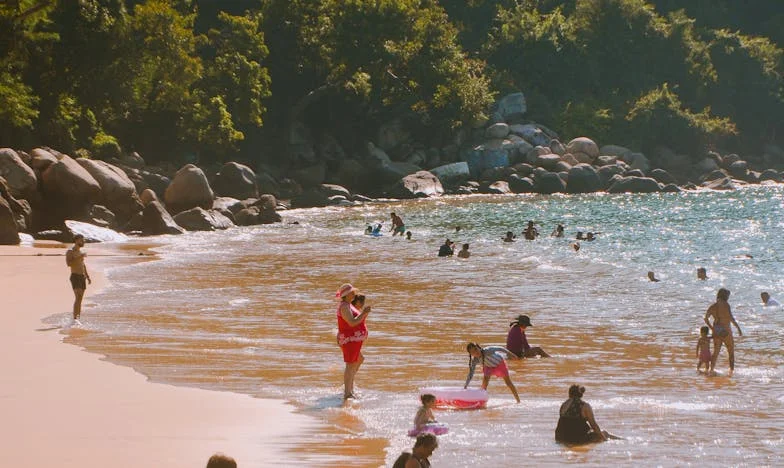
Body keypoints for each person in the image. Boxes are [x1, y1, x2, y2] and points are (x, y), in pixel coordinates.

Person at [336, 283, 371, 399]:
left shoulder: (347, 305)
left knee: (359, 360)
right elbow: (352, 322)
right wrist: (364, 313)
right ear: (347, 294)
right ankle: (347, 392)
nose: (354, 294)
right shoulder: (344, 307)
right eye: (352, 292)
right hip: (349, 340)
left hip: (352, 339)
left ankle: (349, 384)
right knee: (350, 364)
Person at [704, 288, 743, 376]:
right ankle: (731, 371)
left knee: (716, 351)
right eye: (728, 296)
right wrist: (738, 328)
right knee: (730, 351)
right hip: (726, 331)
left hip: (716, 331)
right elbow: (731, 318)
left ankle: (711, 370)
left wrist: (712, 328)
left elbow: (706, 318)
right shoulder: (726, 305)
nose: (728, 297)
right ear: (725, 296)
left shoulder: (712, 306)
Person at [65, 234, 91, 321]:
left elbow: (83, 265)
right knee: (78, 297)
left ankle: (78, 318)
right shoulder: (70, 251)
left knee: (80, 299)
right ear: (76, 240)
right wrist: (80, 256)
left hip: (82, 277)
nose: (83, 242)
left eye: (83, 240)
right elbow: (69, 264)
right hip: (75, 276)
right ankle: (75, 319)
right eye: (81, 240)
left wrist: (87, 276)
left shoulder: (80, 251)